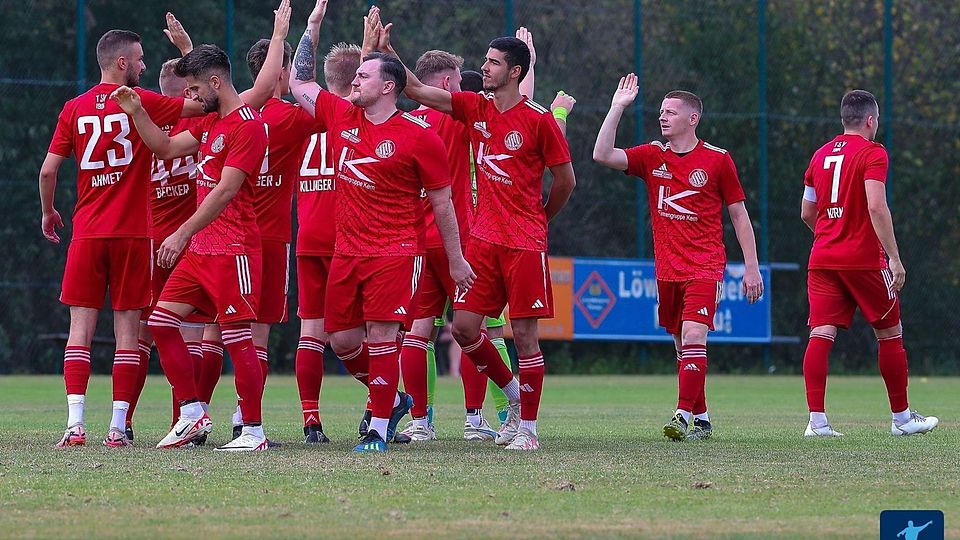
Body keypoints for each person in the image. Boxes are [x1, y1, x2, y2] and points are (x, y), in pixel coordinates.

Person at [371, 8, 577, 451]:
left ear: (515, 71)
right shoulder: (474, 107)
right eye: (484, 61)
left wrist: (543, 215)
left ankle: (528, 430)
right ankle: (513, 395)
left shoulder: (539, 119)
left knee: (522, 335)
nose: (484, 67)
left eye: (493, 62)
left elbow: (566, 180)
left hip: (523, 242)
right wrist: (389, 54)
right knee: (465, 329)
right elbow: (417, 89)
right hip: (481, 241)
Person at [289, 2, 475, 453]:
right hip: (346, 253)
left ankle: (376, 427)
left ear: (388, 86)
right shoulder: (341, 117)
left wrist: (455, 260)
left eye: (364, 77)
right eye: (354, 78)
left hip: (395, 252)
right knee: (342, 340)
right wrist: (311, 27)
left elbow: (444, 205)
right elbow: (299, 82)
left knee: (382, 336)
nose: (355, 81)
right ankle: (392, 399)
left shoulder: (419, 137)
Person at [40, 28, 201, 448]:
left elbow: (47, 171)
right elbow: (202, 106)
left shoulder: (73, 108)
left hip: (88, 233)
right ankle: (116, 429)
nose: (146, 66)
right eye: (141, 59)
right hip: (133, 234)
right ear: (123, 63)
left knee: (81, 330)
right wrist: (189, 52)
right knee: (129, 332)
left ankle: (74, 426)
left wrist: (48, 210)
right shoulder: (143, 101)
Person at [111, 40, 272, 451]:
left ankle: (252, 431)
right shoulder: (208, 121)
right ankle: (191, 413)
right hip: (201, 251)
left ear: (215, 82)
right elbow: (164, 148)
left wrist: (180, 232)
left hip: (234, 249)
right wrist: (138, 113)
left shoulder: (249, 125)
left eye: (195, 90)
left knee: (238, 339)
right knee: (162, 323)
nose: (190, 98)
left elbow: (225, 191)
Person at [593, 74, 763, 441]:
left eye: (670, 112)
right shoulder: (653, 156)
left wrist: (751, 266)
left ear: (692, 119)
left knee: (693, 334)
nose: (662, 117)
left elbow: (738, 215)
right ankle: (702, 417)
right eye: (660, 112)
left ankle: (682, 415)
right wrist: (617, 107)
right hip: (667, 268)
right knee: (681, 343)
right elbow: (602, 154)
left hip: (705, 265)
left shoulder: (717, 160)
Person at [799, 89, 938, 437]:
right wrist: (894, 257)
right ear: (871, 120)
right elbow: (876, 206)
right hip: (862, 259)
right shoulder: (873, 152)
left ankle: (817, 422)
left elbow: (806, 212)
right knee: (890, 333)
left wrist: (831, 233)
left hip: (823, 258)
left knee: (821, 332)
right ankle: (903, 419)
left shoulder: (819, 155)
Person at [126, 13, 207, 444]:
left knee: (151, 332)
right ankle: (168, 419)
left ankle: (146, 420)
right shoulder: (186, 121)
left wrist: (186, 51)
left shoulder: (145, 118)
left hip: (172, 238)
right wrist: (187, 50)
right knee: (169, 332)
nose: (192, 96)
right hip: (173, 240)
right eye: (189, 91)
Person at [294, 34, 363, 444]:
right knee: (372, 333)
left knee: (310, 333)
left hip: (307, 238)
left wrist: (310, 28)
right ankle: (381, 406)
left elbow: (300, 79)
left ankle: (311, 421)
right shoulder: (357, 120)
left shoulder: (301, 120)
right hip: (349, 241)